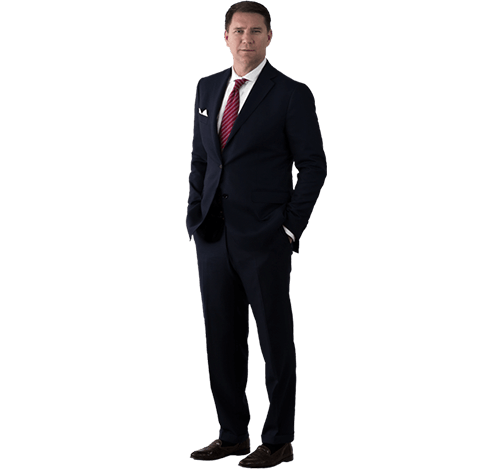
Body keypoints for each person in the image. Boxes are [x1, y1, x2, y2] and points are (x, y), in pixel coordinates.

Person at [186, 2, 326, 468]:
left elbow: (313, 166)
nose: (247, 38)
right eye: (239, 30)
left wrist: (288, 228)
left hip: (265, 237)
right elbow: (201, 160)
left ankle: (278, 439)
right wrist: (193, 216)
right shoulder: (207, 87)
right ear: (226, 36)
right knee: (221, 339)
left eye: (256, 31)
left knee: (273, 339)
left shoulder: (291, 93)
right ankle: (231, 435)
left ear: (269, 37)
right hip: (212, 237)